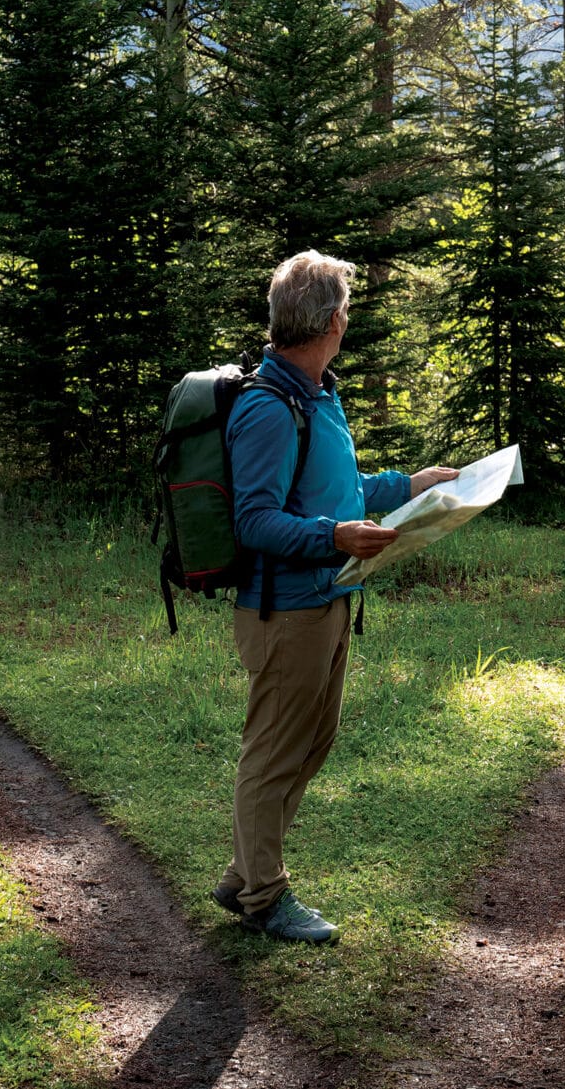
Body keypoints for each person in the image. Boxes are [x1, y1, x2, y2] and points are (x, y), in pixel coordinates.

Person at [210, 250, 457, 943]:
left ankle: (243, 872)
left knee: (311, 743)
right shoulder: (268, 405)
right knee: (274, 752)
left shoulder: (317, 393)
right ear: (331, 321)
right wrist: (335, 536)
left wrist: (412, 484)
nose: (348, 319)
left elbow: (341, 486)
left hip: (328, 597)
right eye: (346, 308)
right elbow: (254, 520)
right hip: (285, 609)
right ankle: (265, 894)